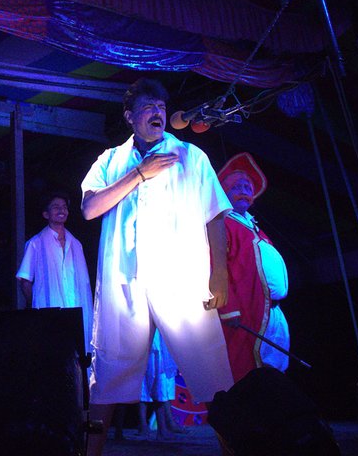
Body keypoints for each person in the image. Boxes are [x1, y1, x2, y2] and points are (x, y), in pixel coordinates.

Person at [80, 78, 234, 456]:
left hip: (180, 277)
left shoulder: (190, 156)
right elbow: (89, 208)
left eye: (162, 108)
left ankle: (234, 447)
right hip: (124, 283)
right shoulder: (112, 160)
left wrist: (219, 274)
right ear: (130, 116)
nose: (159, 113)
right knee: (107, 376)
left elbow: (214, 215)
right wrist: (138, 174)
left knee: (211, 371)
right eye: (149, 107)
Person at [218, 152, 290, 380]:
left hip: (272, 310)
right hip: (247, 310)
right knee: (249, 370)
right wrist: (230, 309)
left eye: (247, 186)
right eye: (236, 185)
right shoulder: (222, 223)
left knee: (276, 369)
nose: (244, 189)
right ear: (224, 192)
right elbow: (217, 268)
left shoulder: (255, 227)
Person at [16, 191, 93, 350]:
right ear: (46, 214)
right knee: (52, 351)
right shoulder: (36, 243)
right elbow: (25, 280)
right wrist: (35, 305)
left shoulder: (76, 244)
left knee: (78, 352)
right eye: (56, 207)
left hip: (77, 310)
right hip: (49, 311)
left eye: (64, 207)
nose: (61, 210)